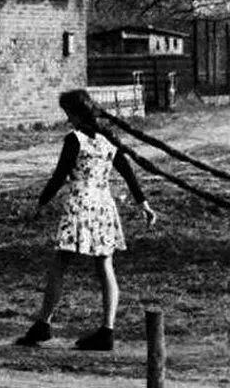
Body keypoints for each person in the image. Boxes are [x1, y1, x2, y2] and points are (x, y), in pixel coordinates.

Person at [15, 89, 157, 351]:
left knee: (60, 263)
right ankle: (107, 329)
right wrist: (144, 204)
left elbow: (58, 177)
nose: (67, 119)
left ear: (75, 114)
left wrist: (40, 203)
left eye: (68, 113)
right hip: (103, 205)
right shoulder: (109, 139)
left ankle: (43, 324)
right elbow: (128, 173)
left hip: (79, 204)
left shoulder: (74, 139)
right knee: (105, 266)